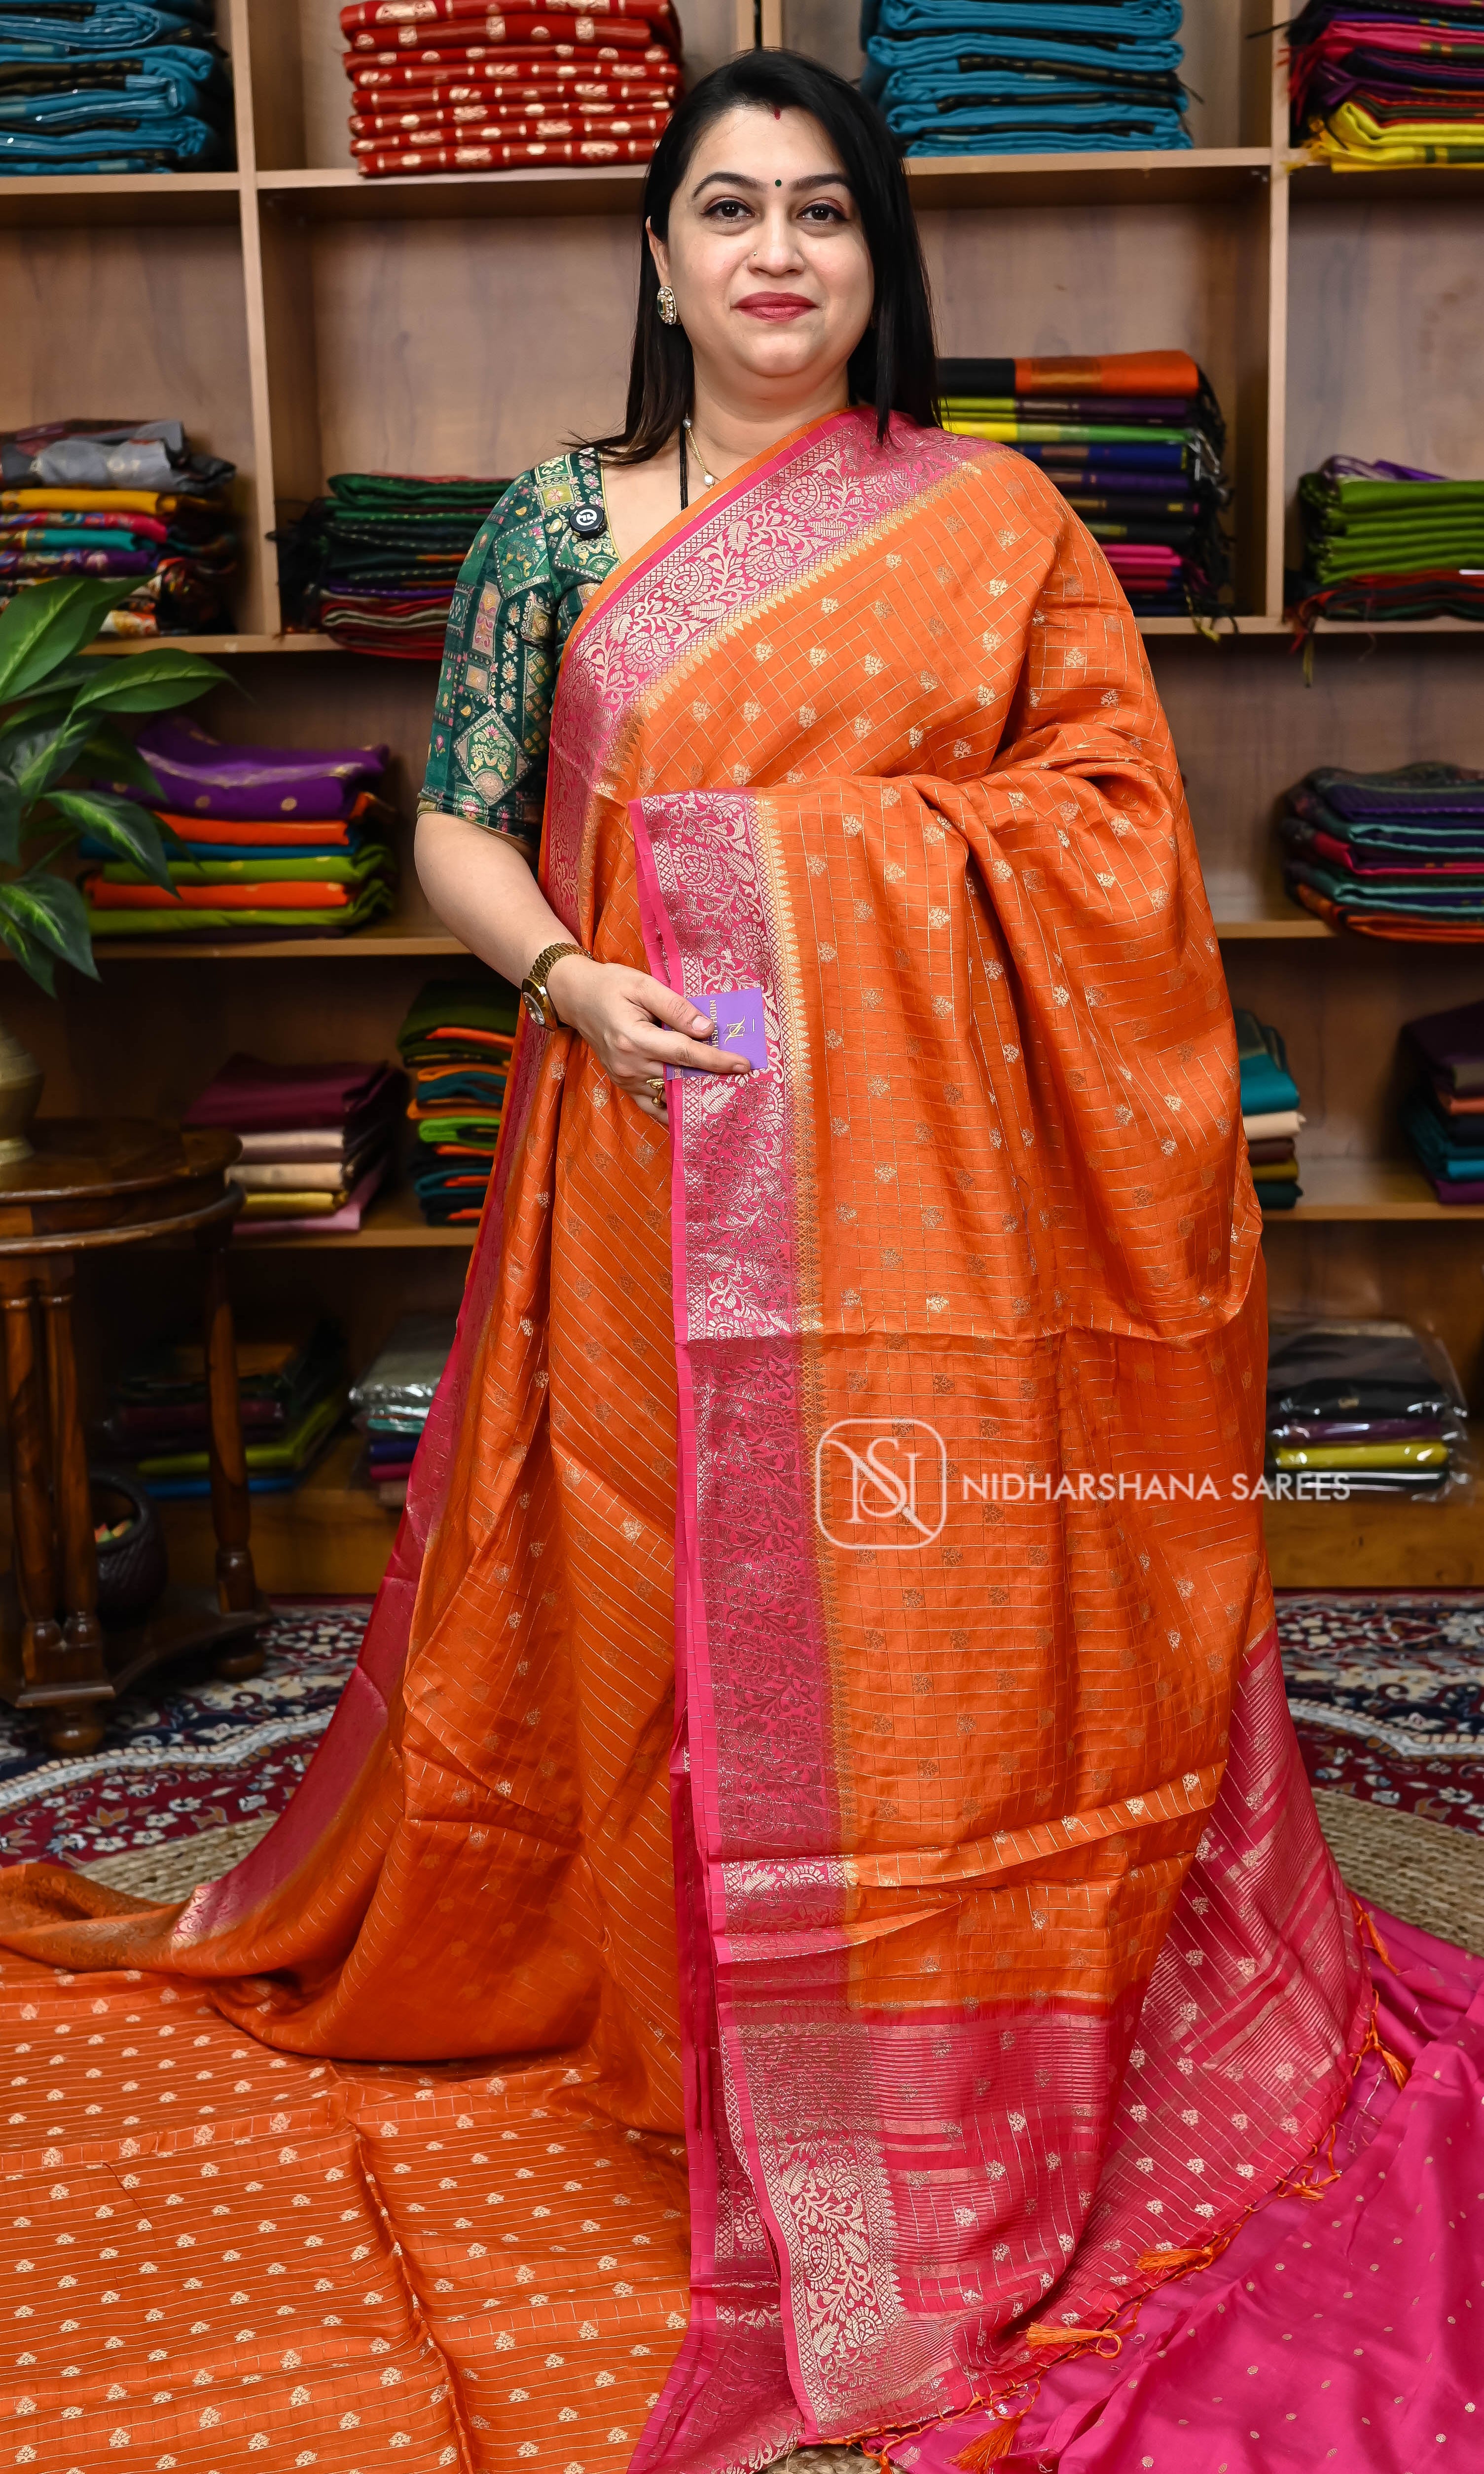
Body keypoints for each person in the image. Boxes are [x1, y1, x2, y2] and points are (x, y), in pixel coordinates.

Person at [0, 47, 1368, 2474]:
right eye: (728, 208)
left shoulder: (997, 516)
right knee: (655, 1578)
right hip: (640, 1134)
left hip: (936, 1195)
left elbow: (1113, 839)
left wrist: (802, 885)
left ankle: (928, 2011)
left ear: (878, 255)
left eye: (822, 211)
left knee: (916, 1591)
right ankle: (690, 2001)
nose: (774, 254)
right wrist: (565, 977)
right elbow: (460, 822)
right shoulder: (557, 523)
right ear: (656, 253)